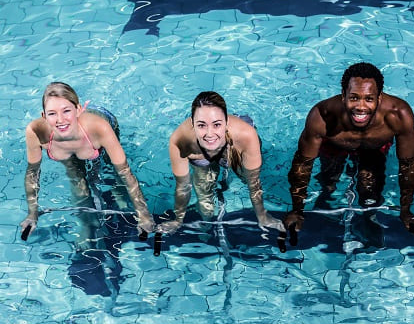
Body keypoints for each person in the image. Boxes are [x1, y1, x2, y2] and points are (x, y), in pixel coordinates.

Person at [282, 62, 414, 247]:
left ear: (379, 98)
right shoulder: (322, 116)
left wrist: (406, 210)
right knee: (328, 181)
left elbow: (409, 165)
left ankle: (369, 216)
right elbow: (302, 165)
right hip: (333, 146)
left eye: (369, 99)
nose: (360, 107)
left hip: (374, 148)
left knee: (369, 189)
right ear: (343, 95)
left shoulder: (398, 115)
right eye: (354, 98)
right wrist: (296, 210)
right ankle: (326, 200)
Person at [20, 82, 154, 241]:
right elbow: (32, 173)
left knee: (113, 170)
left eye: (66, 111)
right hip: (70, 146)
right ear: (44, 116)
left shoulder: (101, 128)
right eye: (52, 114)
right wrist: (32, 213)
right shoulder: (35, 132)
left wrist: (143, 214)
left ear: (78, 109)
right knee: (76, 178)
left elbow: (125, 172)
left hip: (99, 126)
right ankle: (87, 226)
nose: (60, 120)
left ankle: (119, 196)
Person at [156, 91, 283, 235]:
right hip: (200, 153)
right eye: (201, 125)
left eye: (216, 125)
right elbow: (183, 186)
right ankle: (206, 226)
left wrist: (262, 216)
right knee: (206, 207)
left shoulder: (246, 136)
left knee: (245, 178)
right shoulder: (180, 142)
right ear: (192, 124)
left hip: (235, 144)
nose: (209, 134)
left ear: (226, 122)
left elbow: (254, 183)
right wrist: (178, 220)